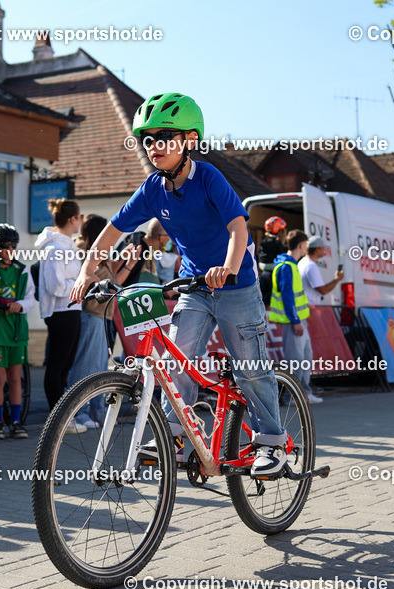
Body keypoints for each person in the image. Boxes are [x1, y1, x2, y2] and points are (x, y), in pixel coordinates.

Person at [71, 92, 289, 477]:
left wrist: (228, 268)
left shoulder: (208, 177)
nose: (153, 145)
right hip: (194, 286)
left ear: (189, 140)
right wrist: (87, 269)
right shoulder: (152, 188)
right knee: (177, 360)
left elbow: (238, 229)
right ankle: (173, 433)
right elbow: (113, 229)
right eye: (148, 139)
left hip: (236, 285)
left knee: (249, 368)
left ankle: (272, 442)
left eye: (164, 137)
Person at [67, 214, 136, 428]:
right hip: (91, 315)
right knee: (85, 366)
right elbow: (106, 284)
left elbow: (111, 279)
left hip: (101, 316)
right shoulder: (85, 254)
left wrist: (125, 261)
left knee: (98, 367)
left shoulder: (98, 255)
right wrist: (127, 264)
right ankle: (79, 414)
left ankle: (97, 412)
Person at [0, 224, 34, 440]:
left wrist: (20, 304)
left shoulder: (23, 270)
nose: (10, 250)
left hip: (17, 331)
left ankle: (16, 422)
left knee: (15, 377)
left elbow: (30, 298)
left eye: (13, 246)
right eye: (5, 246)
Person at [36, 198, 84, 422]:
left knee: (65, 365)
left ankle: (63, 418)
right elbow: (55, 286)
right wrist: (81, 286)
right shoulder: (55, 248)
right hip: (61, 311)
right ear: (72, 219)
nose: (81, 221)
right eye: (80, 216)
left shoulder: (66, 245)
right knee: (57, 366)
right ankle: (58, 420)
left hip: (71, 308)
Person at [271, 230, 321, 404]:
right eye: (306, 245)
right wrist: (296, 321)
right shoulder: (287, 267)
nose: (307, 248)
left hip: (298, 321)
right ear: (301, 245)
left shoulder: (291, 265)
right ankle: (292, 396)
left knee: (305, 357)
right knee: (296, 360)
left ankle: (304, 393)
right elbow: (288, 297)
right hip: (293, 322)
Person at [298, 235, 344, 306]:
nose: (324, 250)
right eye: (323, 248)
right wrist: (337, 279)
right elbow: (323, 290)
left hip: (305, 306)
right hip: (310, 308)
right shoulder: (311, 266)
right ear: (317, 249)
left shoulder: (302, 262)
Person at [258, 216, 288, 307]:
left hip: (263, 274)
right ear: (281, 231)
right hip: (274, 274)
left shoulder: (263, 242)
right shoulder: (278, 244)